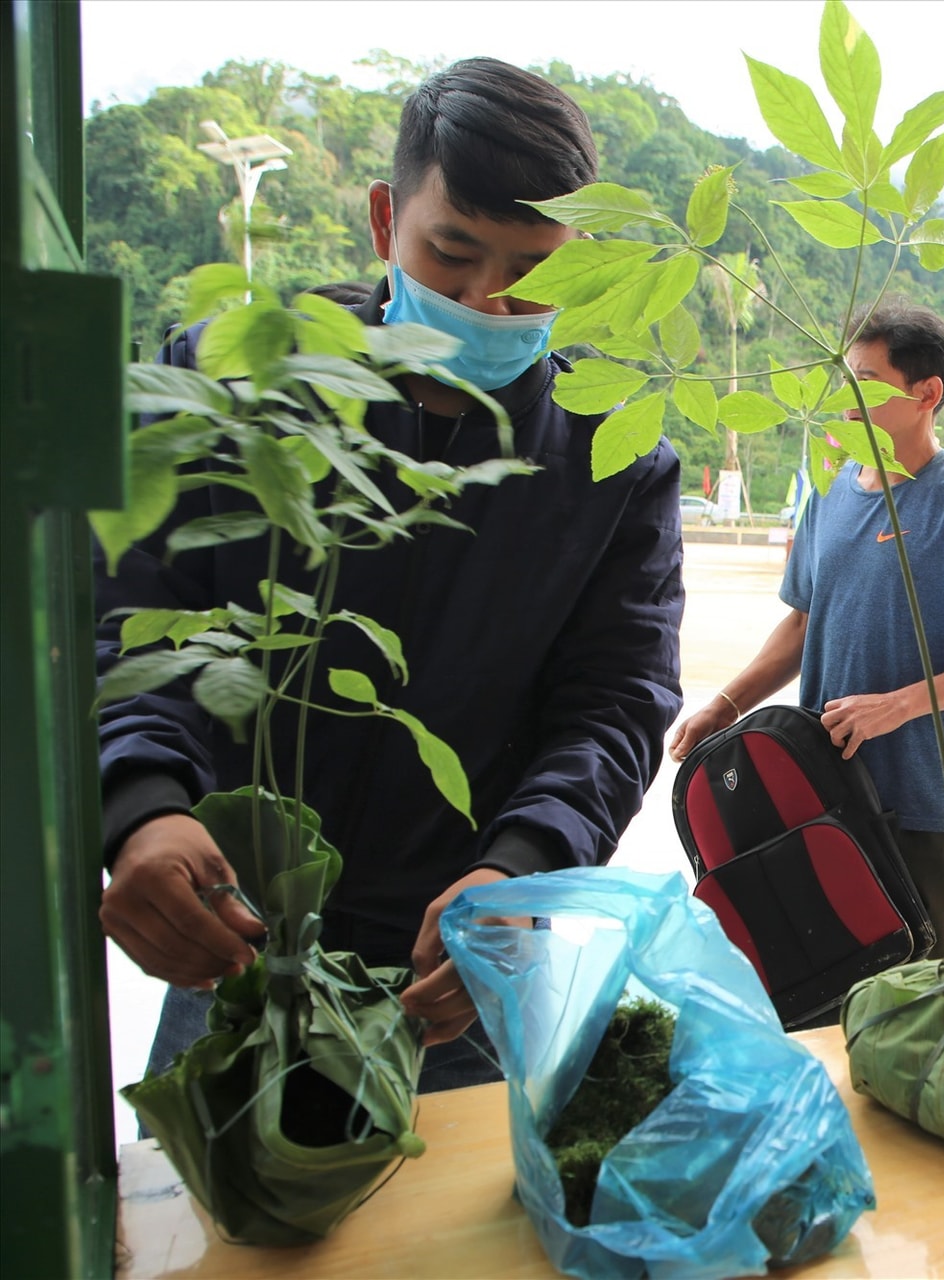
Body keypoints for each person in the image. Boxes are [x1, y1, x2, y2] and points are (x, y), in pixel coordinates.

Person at [96, 58, 686, 1092]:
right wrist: (142, 803)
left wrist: (518, 867)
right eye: (452, 254)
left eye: (529, 269)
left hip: (462, 961)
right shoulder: (239, 385)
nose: (486, 301)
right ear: (384, 219)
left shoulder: (611, 459)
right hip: (243, 939)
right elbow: (131, 622)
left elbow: (616, 702)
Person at [668, 303, 944, 942]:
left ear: (928, 394)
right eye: (844, 377)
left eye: (864, 379)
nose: (845, 398)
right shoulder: (828, 496)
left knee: (920, 1003)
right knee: (818, 988)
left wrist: (899, 706)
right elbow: (802, 625)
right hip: (816, 797)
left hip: (927, 807)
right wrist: (726, 704)